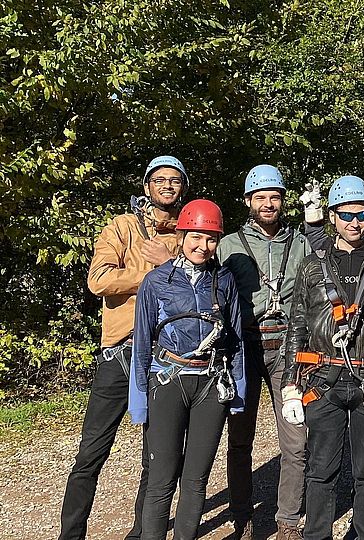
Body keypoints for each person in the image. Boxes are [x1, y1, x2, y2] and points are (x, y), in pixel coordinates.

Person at [279, 175, 364, 539]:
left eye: (362, 214)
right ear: (332, 216)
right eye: (346, 214)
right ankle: (317, 535)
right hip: (323, 381)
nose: (354, 222)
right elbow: (297, 327)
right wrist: (291, 386)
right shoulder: (312, 265)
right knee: (321, 469)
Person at [60, 155, 185, 540]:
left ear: (183, 188)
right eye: (159, 179)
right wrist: (155, 272)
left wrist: (173, 261)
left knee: (158, 456)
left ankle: (142, 533)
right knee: (91, 452)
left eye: (175, 180)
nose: (167, 186)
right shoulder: (121, 227)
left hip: (166, 356)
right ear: (147, 185)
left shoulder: (189, 234)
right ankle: (71, 534)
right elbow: (98, 280)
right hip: (121, 351)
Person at [129, 199, 246, 540]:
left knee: (196, 479)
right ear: (180, 235)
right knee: (161, 478)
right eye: (195, 236)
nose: (203, 245)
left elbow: (234, 336)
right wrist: (139, 397)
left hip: (210, 383)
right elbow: (142, 338)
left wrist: (238, 391)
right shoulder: (157, 281)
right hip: (168, 380)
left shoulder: (223, 280)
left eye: (211, 238)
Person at [219, 165, 310, 540]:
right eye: (261, 197)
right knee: (241, 436)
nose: (268, 203)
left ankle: (288, 519)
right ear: (248, 202)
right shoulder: (228, 245)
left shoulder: (301, 243)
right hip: (245, 346)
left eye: (274, 197)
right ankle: (243, 513)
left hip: (288, 346)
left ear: (283, 201)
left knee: (297, 438)